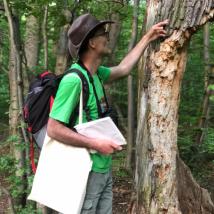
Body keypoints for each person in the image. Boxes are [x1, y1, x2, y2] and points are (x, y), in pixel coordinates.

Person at [47, 13, 168, 214]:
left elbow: (123, 69)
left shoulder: (95, 74)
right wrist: (96, 144)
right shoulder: (73, 80)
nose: (108, 36)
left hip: (102, 169)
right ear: (92, 43)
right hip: (84, 171)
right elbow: (53, 128)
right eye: (104, 33)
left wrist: (148, 36)